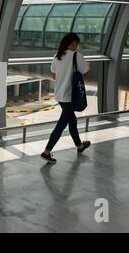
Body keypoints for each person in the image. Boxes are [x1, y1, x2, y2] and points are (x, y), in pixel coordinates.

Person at [41, 32, 91, 164]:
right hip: (70, 95)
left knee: (72, 121)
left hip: (59, 94)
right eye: (77, 44)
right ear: (73, 43)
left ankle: (80, 146)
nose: (77, 46)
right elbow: (85, 71)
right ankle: (46, 152)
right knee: (62, 124)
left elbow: (54, 73)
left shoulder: (57, 57)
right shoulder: (77, 56)